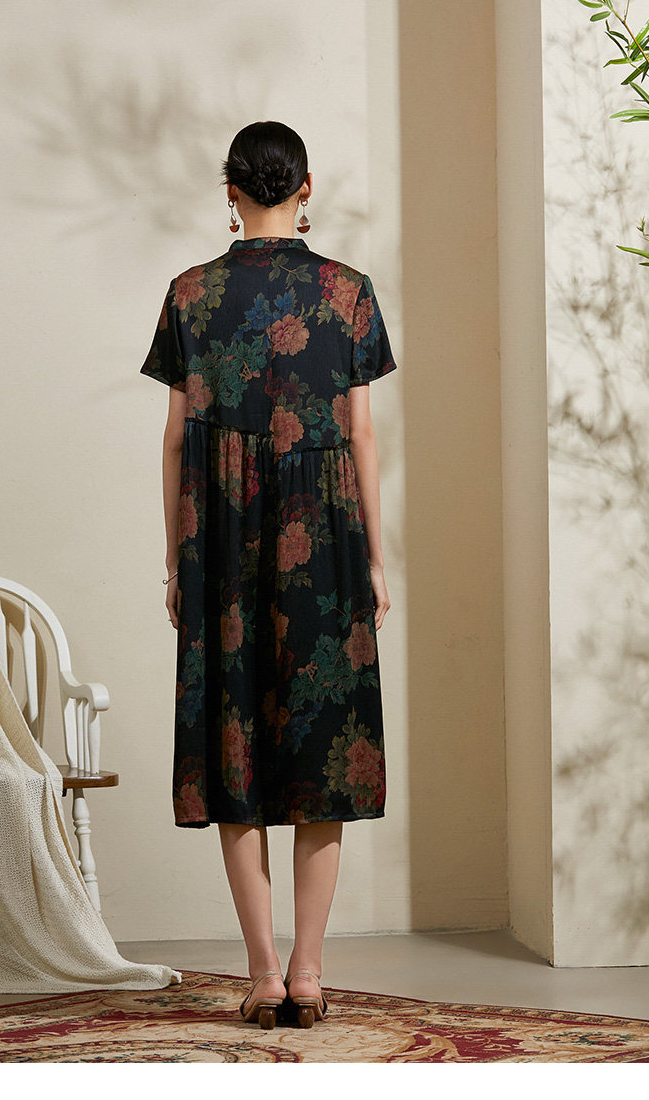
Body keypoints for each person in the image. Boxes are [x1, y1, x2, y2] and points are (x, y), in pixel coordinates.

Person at [140, 120, 397, 1029]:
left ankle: (260, 974)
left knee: (236, 742)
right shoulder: (349, 292)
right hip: (324, 536)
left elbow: (177, 439)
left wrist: (175, 558)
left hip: (221, 538)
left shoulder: (190, 293)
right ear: (306, 187)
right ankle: (309, 971)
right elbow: (361, 434)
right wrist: (375, 556)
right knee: (325, 744)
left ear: (231, 191)